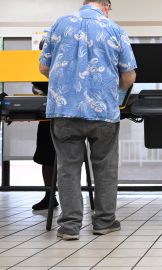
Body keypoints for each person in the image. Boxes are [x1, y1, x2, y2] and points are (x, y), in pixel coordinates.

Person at [39, 0, 136, 240]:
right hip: (102, 110)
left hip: (64, 110)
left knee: (68, 169)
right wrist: (118, 94)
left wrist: (66, 81)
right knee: (105, 167)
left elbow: (43, 67)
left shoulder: (59, 24)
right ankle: (104, 222)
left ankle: (69, 227)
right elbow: (129, 75)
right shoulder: (114, 29)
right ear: (105, 6)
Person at [30, 39, 59, 211]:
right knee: (46, 158)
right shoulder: (39, 68)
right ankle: (49, 195)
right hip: (46, 118)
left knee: (69, 158)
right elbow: (36, 91)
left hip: (66, 117)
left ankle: (68, 196)